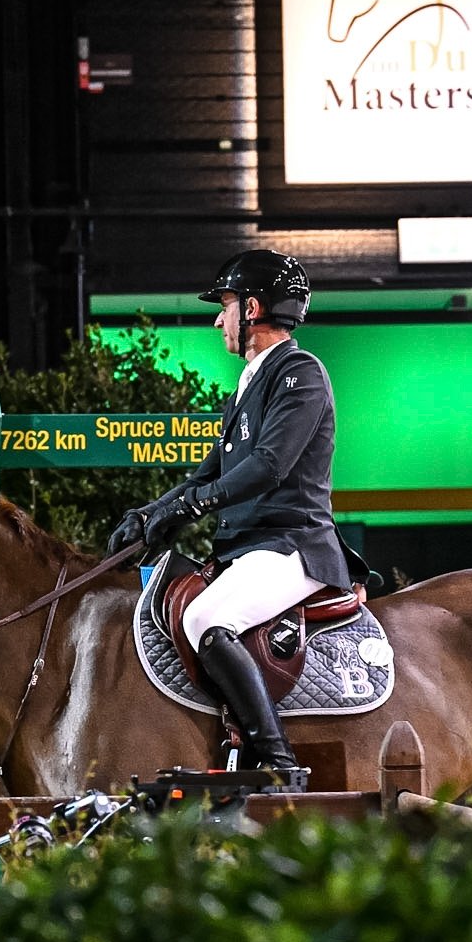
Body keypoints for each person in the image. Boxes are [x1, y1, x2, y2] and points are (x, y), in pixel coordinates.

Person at [105, 249, 356, 773]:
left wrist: (194, 504)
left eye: (226, 305)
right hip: (248, 549)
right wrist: (151, 514)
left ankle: (276, 760)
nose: (219, 318)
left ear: (255, 309)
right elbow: (208, 475)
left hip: (293, 546)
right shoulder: (247, 385)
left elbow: (268, 465)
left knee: (207, 618)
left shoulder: (300, 372)